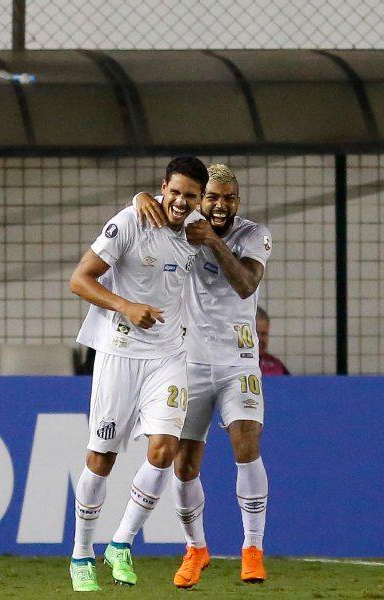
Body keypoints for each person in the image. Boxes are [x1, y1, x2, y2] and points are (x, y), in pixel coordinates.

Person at [67, 156, 208, 592]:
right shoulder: (130, 221)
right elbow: (80, 279)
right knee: (101, 458)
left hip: (169, 356)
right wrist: (126, 307)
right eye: (175, 191)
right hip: (120, 353)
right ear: (163, 186)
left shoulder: (197, 231)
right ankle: (81, 554)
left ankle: (121, 543)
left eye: (191, 195)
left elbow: (233, 218)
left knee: (164, 450)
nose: (181, 202)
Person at [133, 164, 272, 587]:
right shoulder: (184, 224)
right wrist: (140, 199)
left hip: (238, 361)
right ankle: (196, 548)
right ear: (201, 197)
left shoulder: (252, 235)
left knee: (246, 441)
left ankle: (252, 549)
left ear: (238, 201)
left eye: (228, 198)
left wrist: (212, 241)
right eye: (211, 197)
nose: (219, 205)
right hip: (188, 361)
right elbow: (155, 207)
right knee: (185, 462)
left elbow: (246, 284)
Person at [256, 307, 290, 376]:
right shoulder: (230, 365)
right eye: (255, 333)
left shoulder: (276, 366)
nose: (259, 339)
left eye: (264, 334)